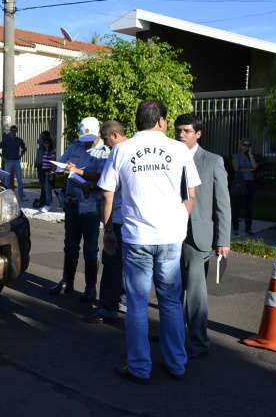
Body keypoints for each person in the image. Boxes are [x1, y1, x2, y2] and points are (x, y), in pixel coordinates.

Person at [98, 100, 201, 383]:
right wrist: (181, 218)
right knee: (169, 301)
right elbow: (191, 192)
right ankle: (176, 363)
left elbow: (107, 194)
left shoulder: (121, 150)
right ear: (161, 122)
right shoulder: (178, 149)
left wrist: (107, 231)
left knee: (137, 303)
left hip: (136, 237)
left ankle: (139, 367)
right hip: (170, 236)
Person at [174, 113, 231, 359]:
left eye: (186, 130)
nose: (181, 134)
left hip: (199, 236)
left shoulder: (212, 160)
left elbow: (223, 203)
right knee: (172, 289)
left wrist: (223, 240)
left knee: (195, 292)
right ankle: (173, 335)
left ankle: (198, 342)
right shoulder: (170, 156)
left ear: (198, 134)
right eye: (178, 130)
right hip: (172, 232)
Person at [49, 116, 109, 302]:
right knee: (70, 244)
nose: (86, 143)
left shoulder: (104, 153)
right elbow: (63, 164)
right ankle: (67, 282)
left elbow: (103, 177)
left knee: (91, 248)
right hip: (72, 202)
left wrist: (79, 173)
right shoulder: (75, 146)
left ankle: (90, 289)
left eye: (90, 138)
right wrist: (60, 171)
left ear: (98, 132)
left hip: (90, 206)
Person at [84, 120, 129, 324]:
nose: (108, 145)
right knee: (131, 265)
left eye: (108, 140)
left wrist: (107, 227)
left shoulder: (117, 153)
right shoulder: (140, 150)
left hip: (118, 217)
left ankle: (107, 308)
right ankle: (124, 302)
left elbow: (107, 194)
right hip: (137, 220)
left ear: (114, 136)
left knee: (111, 261)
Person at [231, 138, 257, 235]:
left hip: (250, 183)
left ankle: (248, 228)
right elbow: (236, 168)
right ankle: (236, 228)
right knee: (236, 206)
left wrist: (250, 154)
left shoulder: (250, 156)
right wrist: (250, 170)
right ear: (240, 145)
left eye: (248, 145)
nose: (246, 147)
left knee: (249, 207)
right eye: (244, 145)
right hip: (240, 182)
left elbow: (255, 167)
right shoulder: (235, 155)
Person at [0, 125, 27, 201]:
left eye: (15, 130)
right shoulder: (6, 140)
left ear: (17, 131)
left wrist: (20, 156)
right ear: (10, 131)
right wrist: (3, 158)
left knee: (19, 179)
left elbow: (24, 149)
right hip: (8, 162)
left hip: (16, 162)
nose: (13, 132)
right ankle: (7, 196)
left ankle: (21, 196)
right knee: (7, 180)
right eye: (12, 130)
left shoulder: (19, 140)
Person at [38, 135, 56, 212]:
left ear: (49, 143)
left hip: (48, 172)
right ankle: (47, 203)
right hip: (44, 171)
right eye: (44, 143)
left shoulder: (52, 151)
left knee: (48, 189)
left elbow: (53, 163)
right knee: (45, 188)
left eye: (46, 143)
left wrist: (51, 173)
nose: (45, 144)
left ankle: (49, 204)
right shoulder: (45, 151)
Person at [34, 130, 52, 208]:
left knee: (44, 184)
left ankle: (44, 200)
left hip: (43, 167)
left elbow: (38, 141)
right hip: (39, 165)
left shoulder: (46, 144)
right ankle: (43, 199)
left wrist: (41, 140)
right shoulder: (41, 145)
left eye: (41, 136)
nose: (39, 137)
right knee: (42, 184)